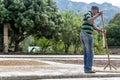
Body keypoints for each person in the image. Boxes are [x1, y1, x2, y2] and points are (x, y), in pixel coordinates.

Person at [80, 6, 105, 73]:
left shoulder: (91, 16)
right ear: (94, 10)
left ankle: (86, 68)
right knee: (90, 52)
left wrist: (101, 31)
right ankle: (88, 68)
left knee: (86, 52)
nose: (95, 14)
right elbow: (90, 20)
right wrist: (98, 15)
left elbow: (94, 26)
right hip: (87, 34)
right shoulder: (88, 14)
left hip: (83, 34)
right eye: (96, 12)